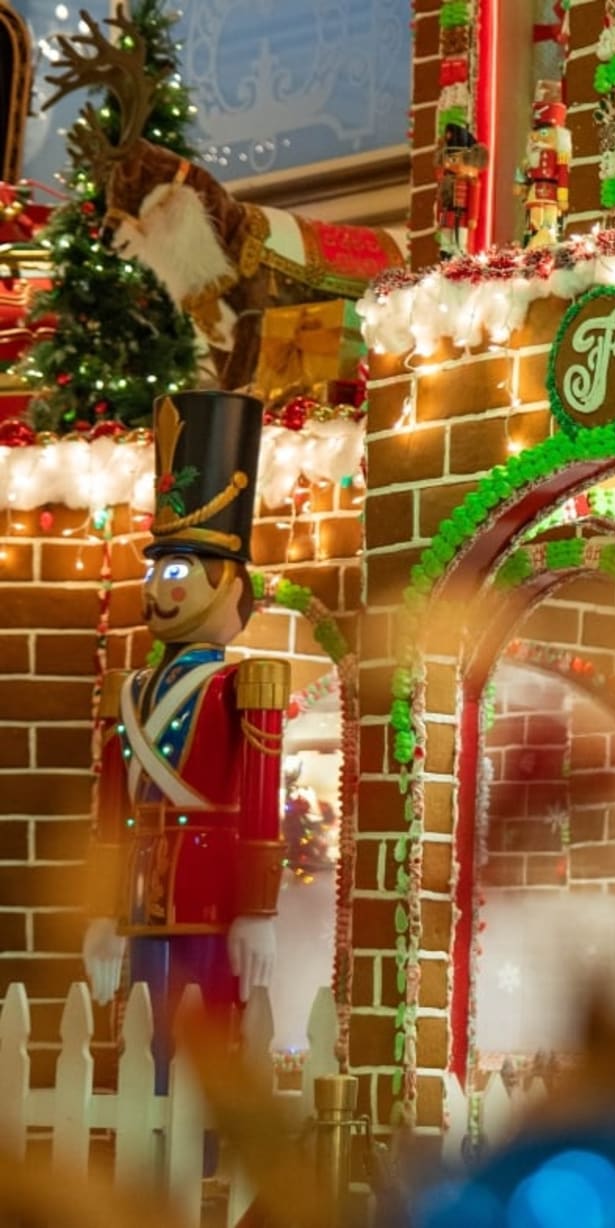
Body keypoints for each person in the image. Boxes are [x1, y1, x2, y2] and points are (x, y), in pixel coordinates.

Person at [82, 390, 288, 1086]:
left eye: (174, 572)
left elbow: (262, 801)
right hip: (142, 894)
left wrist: (257, 906)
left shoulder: (244, 685)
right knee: (142, 1038)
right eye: (153, 571)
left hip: (211, 890)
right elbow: (114, 806)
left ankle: (197, 1166)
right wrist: (106, 909)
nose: (156, 589)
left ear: (225, 583)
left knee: (205, 1043)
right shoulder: (131, 688)